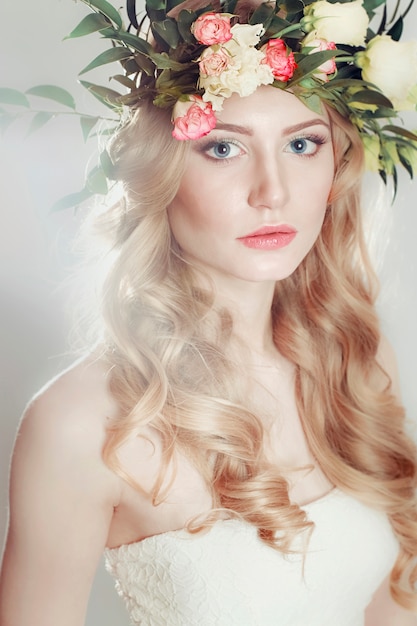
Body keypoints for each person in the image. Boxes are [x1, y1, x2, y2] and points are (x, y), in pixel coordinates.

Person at [1, 0, 417, 624]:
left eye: (303, 144)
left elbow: (395, 604)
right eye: (223, 149)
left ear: (338, 165)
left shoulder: (355, 359)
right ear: (156, 171)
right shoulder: (83, 423)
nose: (272, 192)